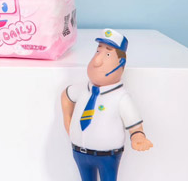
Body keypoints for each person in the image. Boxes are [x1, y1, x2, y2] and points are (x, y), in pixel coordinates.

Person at [61, 29, 153, 181]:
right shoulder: (83, 90)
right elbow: (66, 96)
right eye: (98, 51)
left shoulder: (121, 98)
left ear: (121, 63)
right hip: (79, 153)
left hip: (107, 157)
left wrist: (138, 137)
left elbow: (134, 125)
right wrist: (67, 120)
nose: (97, 61)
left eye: (108, 54)